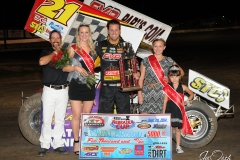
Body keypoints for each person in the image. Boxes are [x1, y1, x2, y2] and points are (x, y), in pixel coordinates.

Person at [62, 24, 99, 155]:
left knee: (86, 116)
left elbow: (95, 69)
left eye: (86, 32)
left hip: (89, 85)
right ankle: (76, 142)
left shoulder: (94, 49)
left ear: (90, 34)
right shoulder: (72, 49)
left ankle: (86, 141)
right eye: (81, 32)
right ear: (78, 34)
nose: (84, 35)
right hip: (76, 84)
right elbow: (64, 68)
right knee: (77, 116)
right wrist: (76, 68)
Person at [96, 19, 140, 114]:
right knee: (105, 118)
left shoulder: (126, 45)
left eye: (116, 30)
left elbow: (134, 61)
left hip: (122, 88)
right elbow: (91, 62)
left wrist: (138, 72)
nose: (114, 32)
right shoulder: (100, 45)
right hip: (106, 88)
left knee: (124, 117)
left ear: (120, 31)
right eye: (111, 30)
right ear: (107, 30)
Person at [38, 30, 69, 156]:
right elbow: (41, 62)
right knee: (46, 119)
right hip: (49, 90)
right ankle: (44, 145)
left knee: (60, 120)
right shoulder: (46, 51)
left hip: (63, 90)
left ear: (61, 39)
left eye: (58, 38)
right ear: (50, 40)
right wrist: (55, 52)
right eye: (53, 38)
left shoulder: (66, 52)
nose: (55, 40)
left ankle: (58, 145)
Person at [138, 38, 184, 114]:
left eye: (160, 46)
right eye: (155, 46)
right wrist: (139, 94)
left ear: (164, 47)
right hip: (146, 92)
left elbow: (181, 72)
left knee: (159, 120)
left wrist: (170, 78)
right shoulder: (146, 60)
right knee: (144, 119)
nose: (158, 49)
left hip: (162, 93)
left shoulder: (169, 60)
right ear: (152, 47)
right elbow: (141, 78)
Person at [162, 65, 194, 153]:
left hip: (178, 111)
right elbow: (165, 101)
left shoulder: (183, 87)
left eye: (176, 76)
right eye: (172, 77)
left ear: (180, 77)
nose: (174, 79)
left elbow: (191, 94)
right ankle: (168, 146)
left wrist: (187, 101)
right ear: (169, 77)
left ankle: (178, 146)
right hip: (169, 110)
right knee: (170, 129)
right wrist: (163, 113)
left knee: (177, 129)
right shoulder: (167, 87)